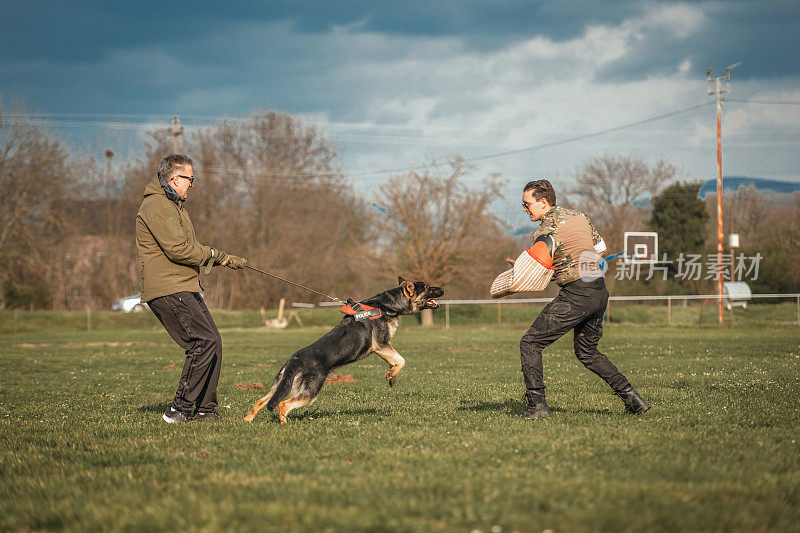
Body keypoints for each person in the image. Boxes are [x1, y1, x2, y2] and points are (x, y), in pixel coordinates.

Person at [517, 179, 649, 419]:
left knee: (530, 343)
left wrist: (522, 273)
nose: (525, 209)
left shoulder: (545, 231)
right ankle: (633, 398)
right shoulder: (580, 216)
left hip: (576, 294)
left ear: (543, 202)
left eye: (527, 204)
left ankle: (537, 406)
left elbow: (538, 268)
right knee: (587, 351)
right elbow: (601, 249)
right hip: (598, 290)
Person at [136, 154, 247, 423]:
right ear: (174, 178)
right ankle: (179, 409)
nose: (192, 185)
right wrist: (218, 256)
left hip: (183, 284)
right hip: (169, 288)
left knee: (214, 343)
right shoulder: (158, 206)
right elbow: (178, 249)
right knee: (202, 342)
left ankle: (206, 410)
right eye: (190, 179)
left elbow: (187, 248)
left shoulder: (175, 207)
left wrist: (219, 257)